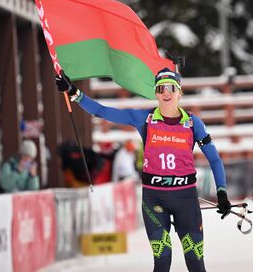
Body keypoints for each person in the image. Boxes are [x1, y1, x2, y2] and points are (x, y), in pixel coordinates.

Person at [55, 67, 231, 272]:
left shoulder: (193, 123)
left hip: (186, 200)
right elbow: (101, 111)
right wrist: (73, 92)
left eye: (171, 88)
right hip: (154, 199)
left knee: (195, 262)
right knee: (162, 260)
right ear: (156, 93)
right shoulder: (144, 119)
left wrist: (222, 193)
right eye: (161, 88)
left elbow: (215, 160)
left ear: (180, 92)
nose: (166, 93)